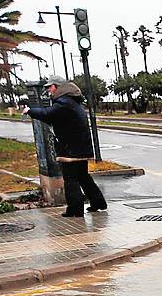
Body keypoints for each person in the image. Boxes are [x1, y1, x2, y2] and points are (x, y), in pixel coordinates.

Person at [23, 78, 106, 218]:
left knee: (70, 179)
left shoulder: (63, 102)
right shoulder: (72, 101)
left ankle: (75, 210)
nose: (49, 90)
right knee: (83, 176)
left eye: (50, 87)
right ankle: (98, 203)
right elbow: (53, 118)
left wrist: (30, 111)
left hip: (70, 149)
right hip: (80, 147)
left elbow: (47, 114)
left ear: (57, 87)